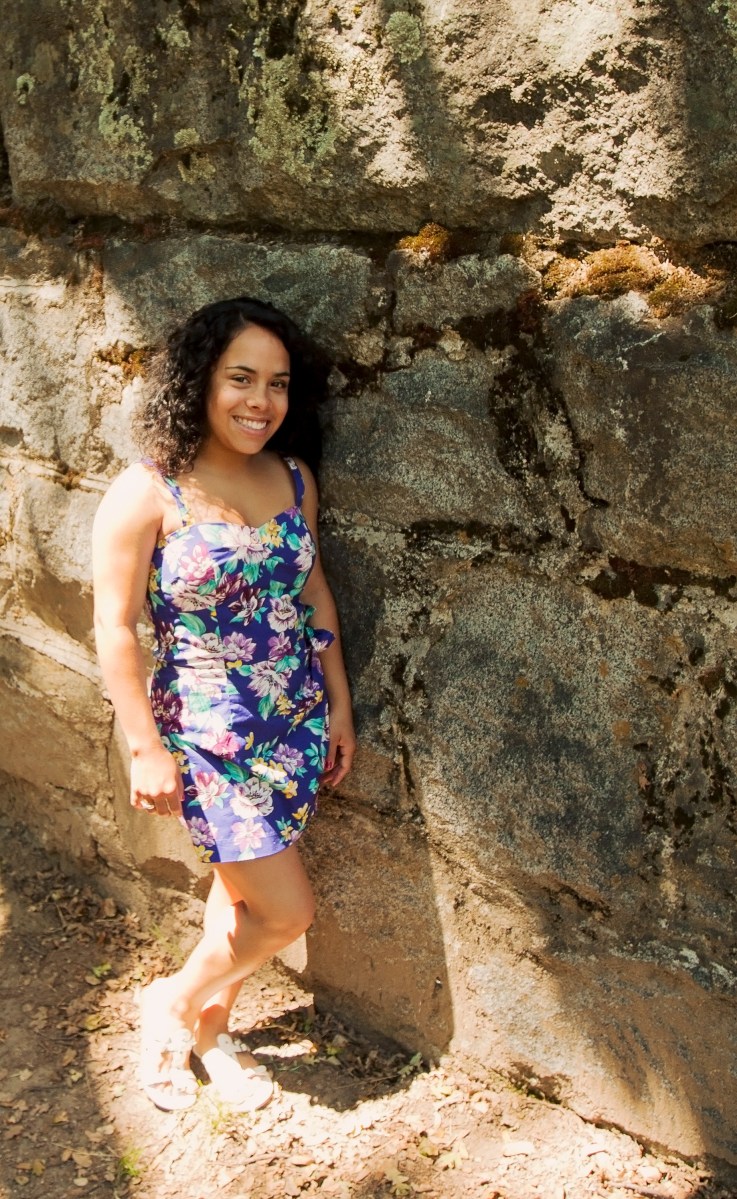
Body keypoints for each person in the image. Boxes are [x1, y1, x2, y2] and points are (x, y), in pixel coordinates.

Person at [91, 296, 355, 1112]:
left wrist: (339, 706)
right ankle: (170, 1005)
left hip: (292, 726)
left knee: (237, 897)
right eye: (240, 377)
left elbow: (313, 593)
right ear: (200, 380)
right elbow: (114, 627)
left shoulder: (293, 477)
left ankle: (210, 1032)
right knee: (285, 911)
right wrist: (144, 746)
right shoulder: (147, 491)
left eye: (277, 383)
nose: (259, 400)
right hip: (208, 740)